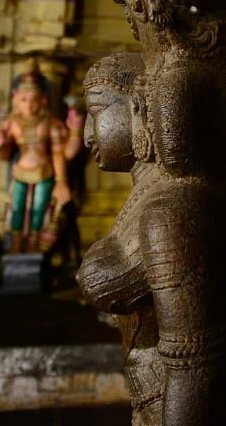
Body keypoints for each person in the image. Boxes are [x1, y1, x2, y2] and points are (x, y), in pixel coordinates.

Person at [77, 52, 164, 425]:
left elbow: (194, 354)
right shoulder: (144, 197)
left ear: (139, 104)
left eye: (95, 112)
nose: (86, 135)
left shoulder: (167, 207)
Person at [0, 61, 82, 252]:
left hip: (45, 172)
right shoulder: (12, 122)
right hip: (20, 171)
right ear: (16, 100)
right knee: (16, 209)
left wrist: (61, 180)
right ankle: (16, 244)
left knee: (39, 211)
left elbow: (61, 153)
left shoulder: (49, 122)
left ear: (43, 100)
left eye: (34, 99)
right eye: (24, 99)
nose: (29, 104)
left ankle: (35, 245)